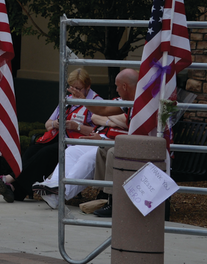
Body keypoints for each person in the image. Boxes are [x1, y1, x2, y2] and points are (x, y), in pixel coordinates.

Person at [34, 69, 139, 209]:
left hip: (115, 142)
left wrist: (110, 120)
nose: (116, 89)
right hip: (100, 138)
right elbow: (97, 114)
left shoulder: (141, 103)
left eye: (117, 86)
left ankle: (60, 193)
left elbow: (123, 121)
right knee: (71, 152)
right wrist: (113, 119)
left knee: (88, 158)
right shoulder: (122, 102)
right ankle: (52, 186)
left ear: (125, 86)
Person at [0, 68, 101, 203]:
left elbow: (99, 131)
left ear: (87, 87)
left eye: (78, 89)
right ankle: (15, 190)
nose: (74, 92)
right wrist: (55, 124)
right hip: (57, 137)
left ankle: (9, 179)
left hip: (76, 144)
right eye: (71, 88)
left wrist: (77, 126)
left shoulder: (96, 103)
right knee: (33, 150)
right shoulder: (68, 100)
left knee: (46, 153)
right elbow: (47, 124)